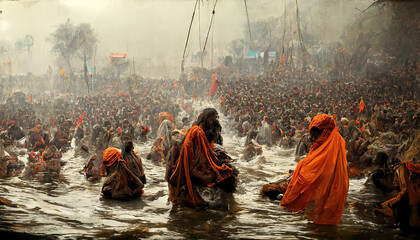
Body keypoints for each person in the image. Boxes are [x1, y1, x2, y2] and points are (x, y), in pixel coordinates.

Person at [280, 114, 349, 225]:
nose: (314, 138)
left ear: (323, 132)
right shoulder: (336, 142)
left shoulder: (331, 145)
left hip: (326, 186)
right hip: (333, 191)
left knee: (317, 220)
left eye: (316, 133)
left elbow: (312, 171)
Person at [166, 108, 236, 208]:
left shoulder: (194, 129)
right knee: (228, 176)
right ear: (206, 118)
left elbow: (203, 153)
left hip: (192, 166)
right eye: (212, 119)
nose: (213, 122)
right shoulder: (198, 132)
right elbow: (202, 157)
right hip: (196, 169)